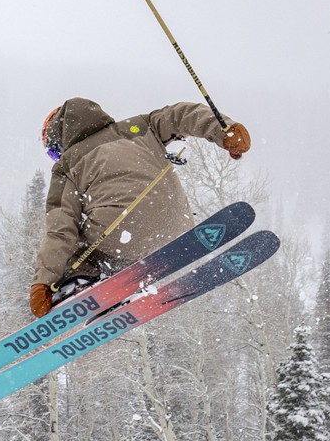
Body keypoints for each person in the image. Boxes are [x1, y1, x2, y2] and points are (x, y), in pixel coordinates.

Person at [31, 97, 250, 317]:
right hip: (176, 227)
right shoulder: (140, 126)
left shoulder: (66, 166)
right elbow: (182, 114)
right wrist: (225, 130)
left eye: (53, 153)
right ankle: (117, 285)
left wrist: (43, 282)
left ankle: (85, 283)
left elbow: (60, 229)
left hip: (120, 242)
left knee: (77, 255)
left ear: (60, 140)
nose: (56, 158)